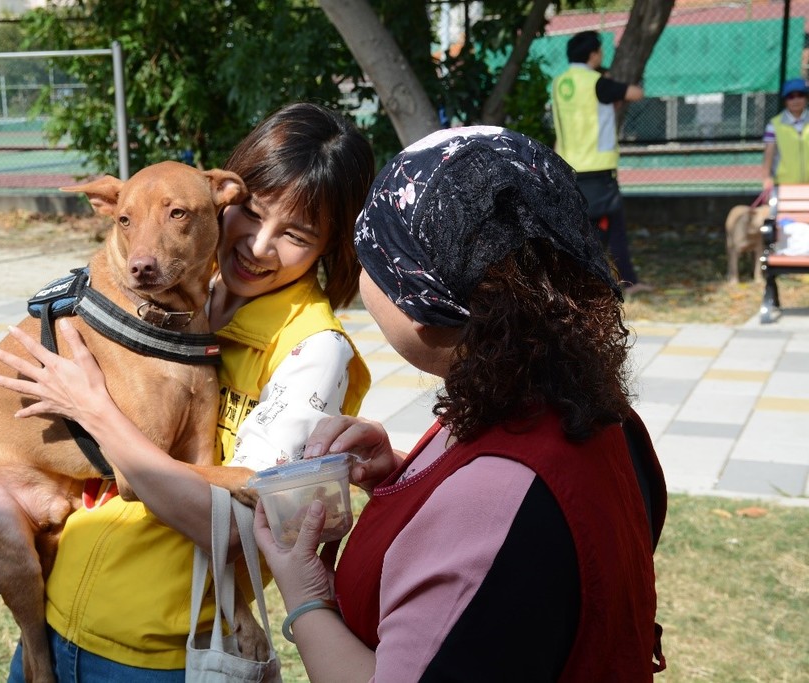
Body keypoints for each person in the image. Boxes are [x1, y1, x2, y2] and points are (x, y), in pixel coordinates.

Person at [0, 101, 376, 681]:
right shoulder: (173, 301)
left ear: (333, 246)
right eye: (250, 214)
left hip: (157, 654)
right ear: (226, 197)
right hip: (58, 622)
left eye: (295, 234)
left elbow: (243, 526)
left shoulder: (312, 351)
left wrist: (93, 409)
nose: (258, 246)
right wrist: (9, 551)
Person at [253, 126, 668, 681]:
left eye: (371, 255)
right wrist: (405, 477)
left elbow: (489, 533)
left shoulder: (493, 497)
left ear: (419, 296)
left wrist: (304, 595)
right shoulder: (589, 408)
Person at [552, 30, 650, 295]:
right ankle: (624, 281)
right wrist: (612, 83)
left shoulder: (559, 83)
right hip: (598, 168)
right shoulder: (597, 83)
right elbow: (635, 93)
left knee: (580, 229)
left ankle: (575, 282)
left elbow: (584, 113)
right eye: (600, 51)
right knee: (612, 229)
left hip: (569, 166)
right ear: (593, 54)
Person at [762, 77, 809, 193]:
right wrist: (767, 177)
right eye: (791, 97)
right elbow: (769, 153)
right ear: (785, 100)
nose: (796, 100)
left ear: (806, 98)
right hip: (784, 185)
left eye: (800, 95)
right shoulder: (774, 125)